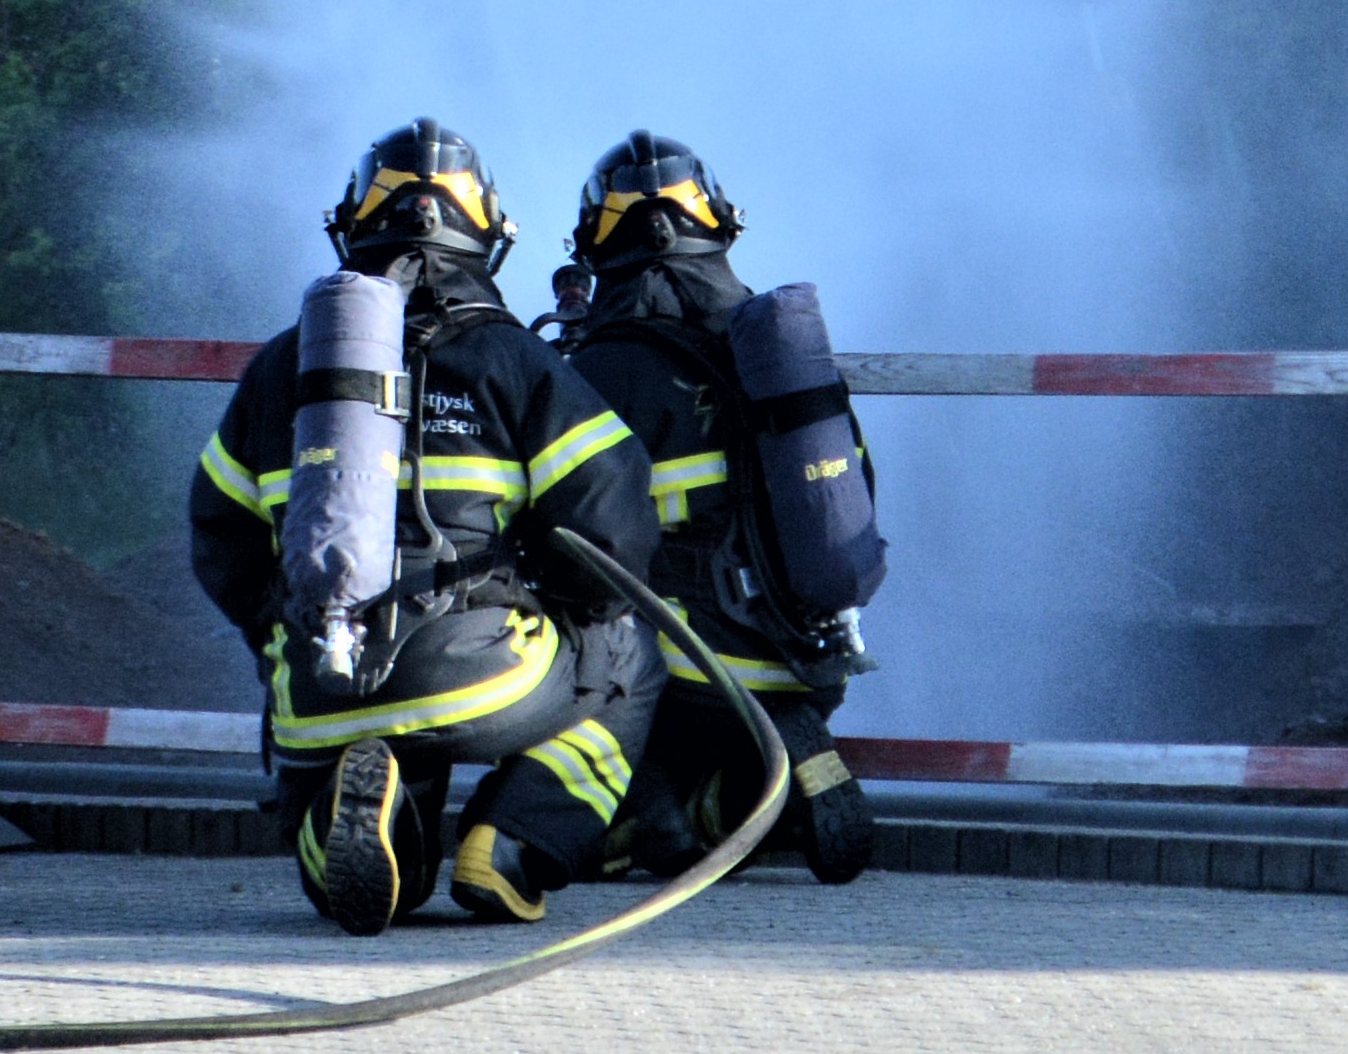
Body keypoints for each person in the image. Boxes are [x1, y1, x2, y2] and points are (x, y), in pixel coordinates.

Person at [189, 122, 667, 933]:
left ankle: (335, 822)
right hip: (482, 675)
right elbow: (612, 530)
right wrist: (559, 607)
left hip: (318, 679)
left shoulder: (282, 367)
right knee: (629, 655)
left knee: (354, 836)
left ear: (353, 226)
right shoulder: (518, 363)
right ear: (487, 234)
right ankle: (511, 844)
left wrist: (285, 626)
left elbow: (217, 532)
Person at [550, 131, 881, 884]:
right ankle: (760, 781)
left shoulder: (600, 367)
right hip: (810, 649)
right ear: (722, 223)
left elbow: (567, 529)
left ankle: (655, 818)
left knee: (549, 650)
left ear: (597, 243)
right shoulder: (780, 357)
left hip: (685, 669)